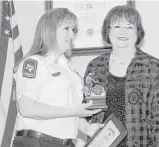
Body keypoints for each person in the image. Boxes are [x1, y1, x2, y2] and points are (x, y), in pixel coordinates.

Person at [12, 8, 103, 147]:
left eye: (74, 29)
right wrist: (73, 111)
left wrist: (88, 129)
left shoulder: (69, 69)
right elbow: (27, 108)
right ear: (49, 30)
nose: (72, 34)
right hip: (38, 142)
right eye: (66, 28)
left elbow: (68, 111)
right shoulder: (33, 63)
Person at [84, 5, 159, 147]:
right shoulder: (95, 66)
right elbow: (89, 111)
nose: (123, 32)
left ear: (138, 32)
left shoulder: (153, 67)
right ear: (108, 31)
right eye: (117, 26)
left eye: (130, 27)